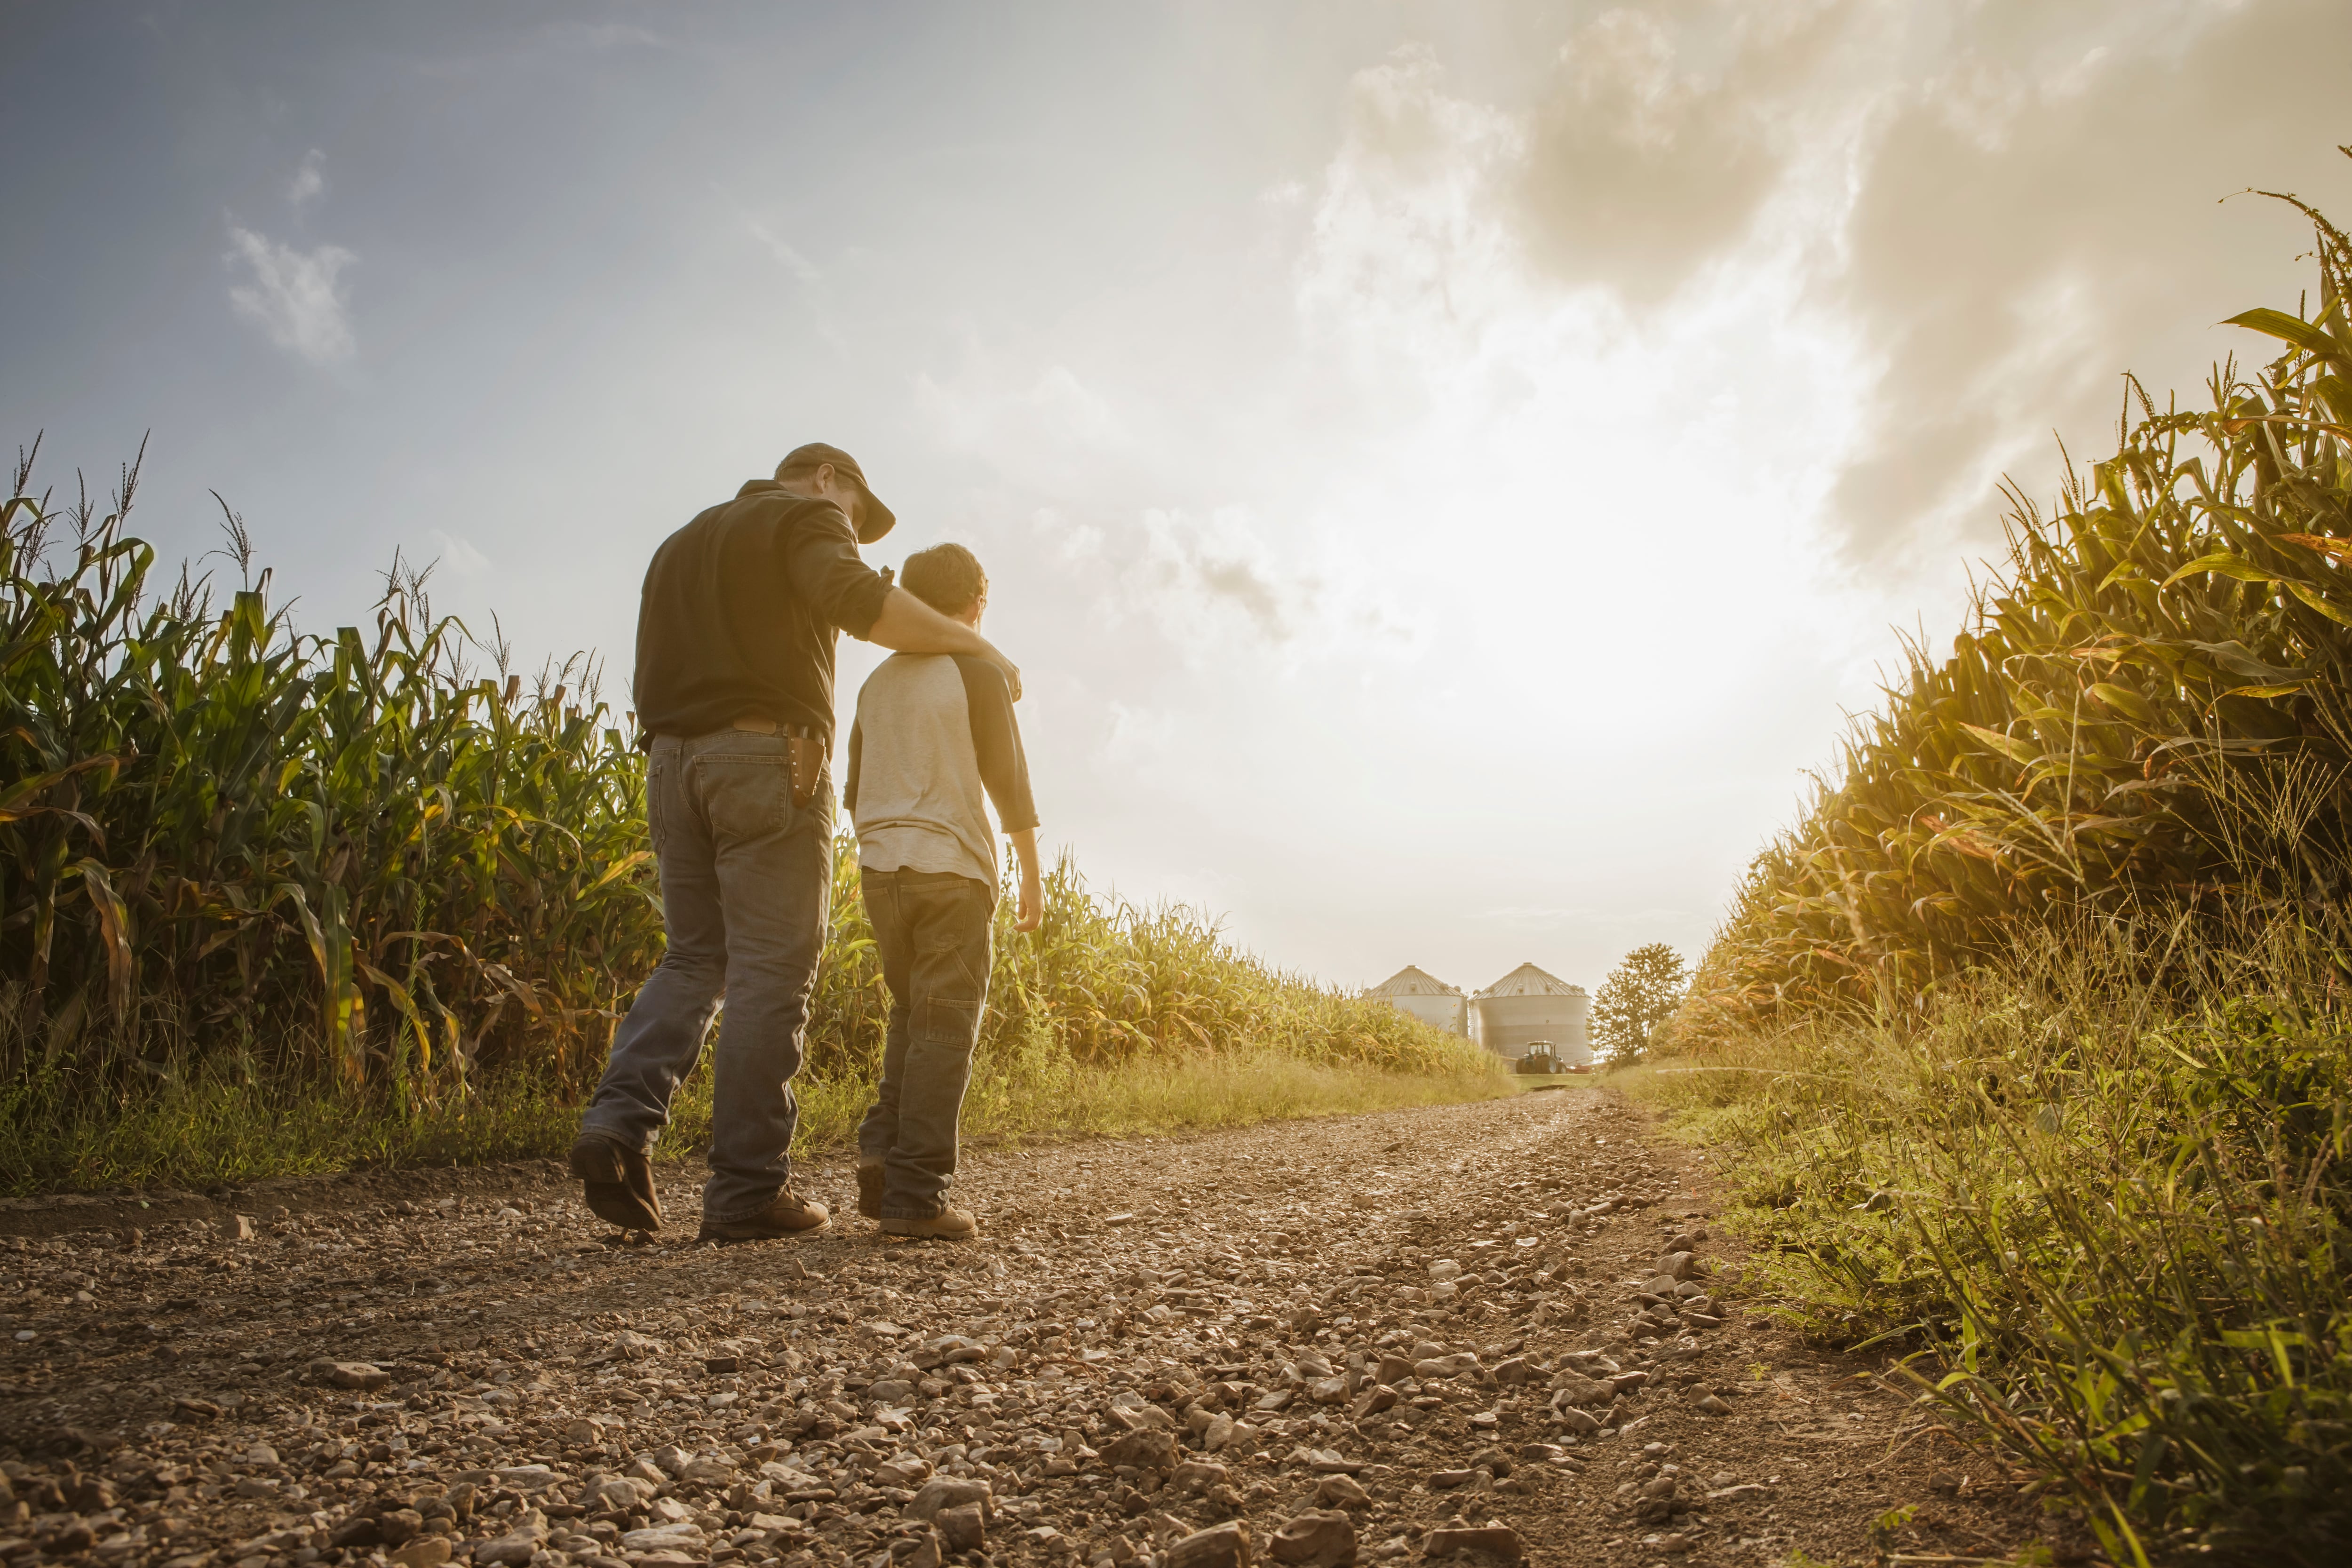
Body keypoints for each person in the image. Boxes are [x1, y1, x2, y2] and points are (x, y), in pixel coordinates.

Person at [571, 444, 1021, 1243]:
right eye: (856, 513)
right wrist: (979, 646)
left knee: (694, 956)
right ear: (826, 478)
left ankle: (617, 1124)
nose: (850, 530)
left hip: (670, 763)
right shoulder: (809, 514)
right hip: (762, 757)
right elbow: (861, 602)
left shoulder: (684, 538)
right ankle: (746, 1190)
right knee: (772, 972)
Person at [843, 542, 1042, 1240]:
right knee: (945, 1026)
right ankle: (917, 1194)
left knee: (910, 1013)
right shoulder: (975, 670)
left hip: (880, 871)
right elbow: (1008, 783)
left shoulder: (876, 684)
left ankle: (881, 1143)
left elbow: (853, 790)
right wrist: (1031, 875)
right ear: (977, 604)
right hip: (951, 872)